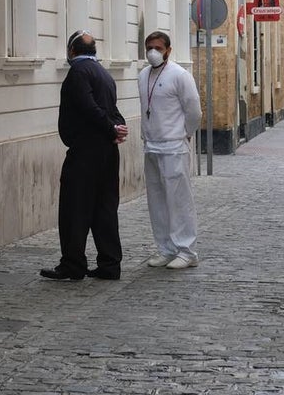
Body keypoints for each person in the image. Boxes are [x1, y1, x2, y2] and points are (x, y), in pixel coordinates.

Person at [41, 30, 128, 281]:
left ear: (71, 51)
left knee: (74, 209)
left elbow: (89, 106)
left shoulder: (78, 72)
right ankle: (110, 264)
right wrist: (116, 127)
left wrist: (110, 128)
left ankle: (73, 264)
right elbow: (112, 109)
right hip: (107, 153)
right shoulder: (104, 73)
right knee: (105, 209)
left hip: (85, 152)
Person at [138, 31, 202, 271]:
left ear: (168, 50)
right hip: (151, 145)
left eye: (157, 47)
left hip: (174, 146)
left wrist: (184, 133)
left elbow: (194, 110)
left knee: (179, 200)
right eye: (149, 47)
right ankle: (165, 248)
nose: (152, 51)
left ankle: (187, 250)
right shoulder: (143, 75)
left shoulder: (180, 75)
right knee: (157, 201)